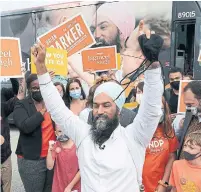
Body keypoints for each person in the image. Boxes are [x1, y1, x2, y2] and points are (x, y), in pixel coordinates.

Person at [32, 27, 164, 191]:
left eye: (106, 105)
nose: (99, 111)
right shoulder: (83, 134)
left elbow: (151, 109)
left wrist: (153, 65)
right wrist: (41, 69)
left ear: (119, 109)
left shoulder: (134, 137)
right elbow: (57, 109)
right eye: (96, 105)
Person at [13, 74, 56, 192]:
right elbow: (25, 127)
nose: (38, 90)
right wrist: (43, 111)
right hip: (31, 160)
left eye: (41, 86)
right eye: (35, 87)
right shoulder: (22, 104)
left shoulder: (52, 102)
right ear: (30, 89)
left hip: (51, 156)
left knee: (49, 189)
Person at [143, 97, 178, 192]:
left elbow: (172, 157)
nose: (157, 112)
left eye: (160, 108)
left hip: (160, 185)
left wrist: (164, 183)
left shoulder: (168, 130)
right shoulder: (138, 130)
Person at [1, 77, 26, 192]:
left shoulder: (3, 106)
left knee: (6, 188)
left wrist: (17, 77)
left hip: (4, 156)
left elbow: (19, 95)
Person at [46, 126, 81, 192]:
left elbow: (82, 170)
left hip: (75, 186)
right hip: (59, 186)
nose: (63, 134)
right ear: (56, 133)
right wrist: (49, 150)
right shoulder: (55, 145)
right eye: (60, 131)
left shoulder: (78, 146)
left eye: (65, 130)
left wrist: (69, 187)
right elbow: (49, 167)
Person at [178, 81, 201, 159]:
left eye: (190, 104)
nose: (188, 108)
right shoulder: (189, 116)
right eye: (186, 105)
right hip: (182, 167)